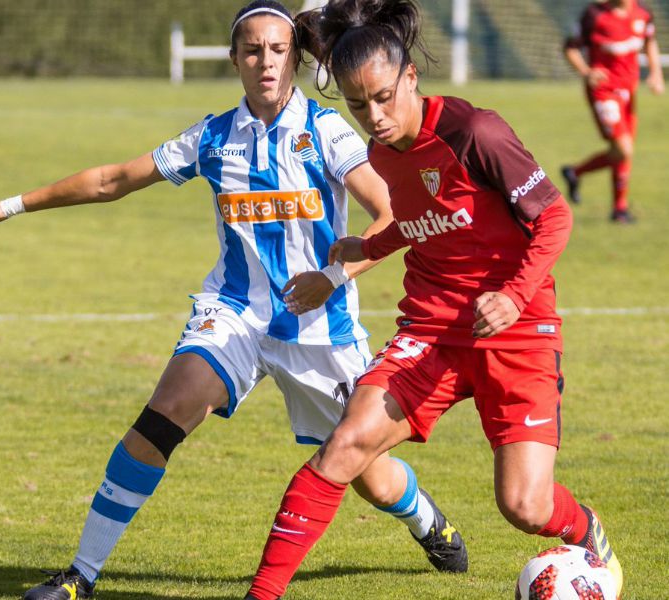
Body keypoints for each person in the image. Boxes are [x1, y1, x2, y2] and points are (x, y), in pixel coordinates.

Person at [0, 2, 467, 599]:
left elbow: (391, 214)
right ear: (234, 60)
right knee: (161, 415)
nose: (265, 62)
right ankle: (79, 578)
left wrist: (334, 275)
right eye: (251, 50)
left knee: (368, 475)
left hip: (321, 328)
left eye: (276, 50)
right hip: (233, 314)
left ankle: (426, 519)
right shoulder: (213, 137)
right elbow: (113, 181)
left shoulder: (326, 130)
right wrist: (5, 207)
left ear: (294, 57)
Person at [242, 1, 623, 598]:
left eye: (385, 97)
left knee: (525, 505)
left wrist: (515, 297)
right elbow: (429, 218)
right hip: (432, 330)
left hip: (516, 332)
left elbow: (554, 217)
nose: (375, 116)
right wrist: (361, 251)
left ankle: (587, 535)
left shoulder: (476, 132)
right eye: (358, 104)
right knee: (345, 445)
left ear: (411, 78)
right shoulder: (379, 154)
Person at [561, 0, 664, 223]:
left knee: (624, 149)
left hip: (629, 92)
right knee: (623, 148)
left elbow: (650, 41)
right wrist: (586, 72)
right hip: (603, 92)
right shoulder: (594, 15)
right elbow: (570, 47)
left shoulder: (643, 13)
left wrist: (656, 73)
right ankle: (578, 173)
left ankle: (618, 209)